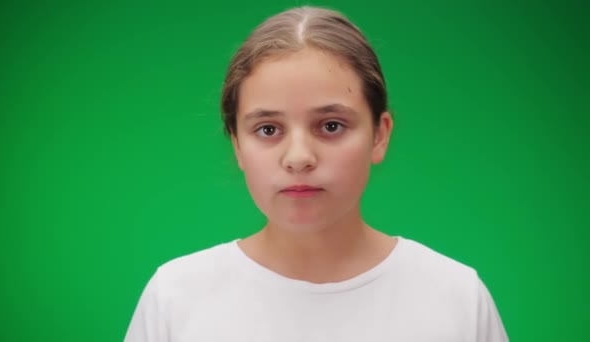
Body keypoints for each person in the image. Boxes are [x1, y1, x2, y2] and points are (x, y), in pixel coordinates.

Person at [124, 6, 508, 342]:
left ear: (379, 135)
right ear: (237, 145)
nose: (299, 158)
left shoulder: (457, 298)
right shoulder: (175, 298)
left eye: (330, 126)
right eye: (268, 130)